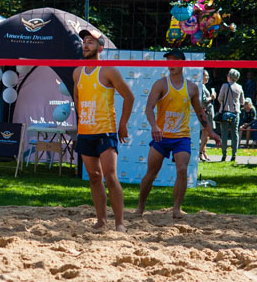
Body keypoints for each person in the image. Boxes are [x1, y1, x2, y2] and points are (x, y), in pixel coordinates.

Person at [135, 50, 219, 219]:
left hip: (181, 137)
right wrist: (154, 126)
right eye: (169, 60)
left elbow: (200, 112)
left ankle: (176, 209)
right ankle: (140, 207)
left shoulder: (192, 87)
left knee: (182, 169)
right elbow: (149, 108)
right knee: (151, 173)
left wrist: (211, 132)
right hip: (161, 136)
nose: (171, 64)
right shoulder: (161, 84)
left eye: (175, 60)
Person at [72, 27, 134, 232]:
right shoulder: (77, 72)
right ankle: (101, 221)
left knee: (110, 177)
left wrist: (122, 124)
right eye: (84, 42)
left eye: (90, 42)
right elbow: (77, 98)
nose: (85, 45)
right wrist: (83, 119)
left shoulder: (108, 71)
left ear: (100, 47)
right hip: (86, 132)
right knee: (94, 177)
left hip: (105, 131)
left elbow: (129, 96)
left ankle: (120, 223)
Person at [216, 69, 244, 161]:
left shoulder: (225, 86)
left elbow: (220, 98)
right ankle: (234, 154)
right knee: (235, 133)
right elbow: (242, 101)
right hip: (236, 112)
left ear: (230, 76)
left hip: (225, 111)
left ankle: (224, 154)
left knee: (224, 133)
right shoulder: (239, 87)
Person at [198, 70, 216, 162]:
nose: (207, 78)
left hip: (207, 111)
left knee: (206, 133)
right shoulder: (200, 86)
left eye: (208, 76)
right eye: (206, 76)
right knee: (206, 132)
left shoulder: (203, 86)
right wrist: (211, 97)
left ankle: (203, 152)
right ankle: (200, 152)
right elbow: (203, 100)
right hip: (205, 112)